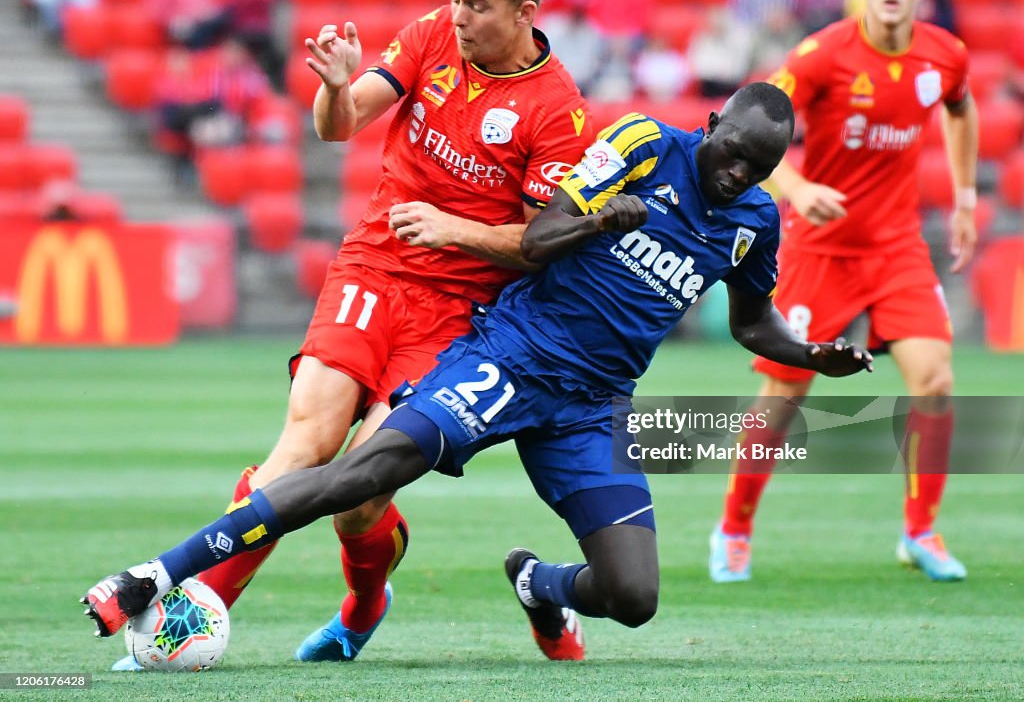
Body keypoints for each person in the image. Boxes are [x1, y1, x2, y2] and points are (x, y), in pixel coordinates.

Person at [82, 83, 873, 659]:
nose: (739, 175)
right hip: (512, 356)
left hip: (594, 406)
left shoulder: (754, 221)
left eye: (759, 168)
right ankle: (152, 576)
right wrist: (604, 216)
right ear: (712, 126)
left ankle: (540, 586)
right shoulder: (641, 144)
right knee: (363, 471)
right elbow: (539, 238)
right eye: (734, 155)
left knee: (634, 599)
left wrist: (810, 354)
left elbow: (750, 319)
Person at [105, 0, 595, 671]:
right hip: (372, 270)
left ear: (526, 10)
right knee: (303, 448)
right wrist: (334, 89)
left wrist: (453, 226)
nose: (459, 16)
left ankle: (365, 605)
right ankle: (189, 622)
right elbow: (341, 124)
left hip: (458, 316)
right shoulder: (432, 33)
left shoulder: (555, 111)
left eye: (478, 5)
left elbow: (537, 245)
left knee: (362, 495)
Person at [710, 0, 979, 584]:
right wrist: (798, 186)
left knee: (936, 380)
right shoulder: (822, 55)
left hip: (897, 248)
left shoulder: (945, 55)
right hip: (820, 250)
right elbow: (742, 129)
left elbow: (961, 109)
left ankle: (920, 532)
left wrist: (967, 198)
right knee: (786, 393)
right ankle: (734, 530)